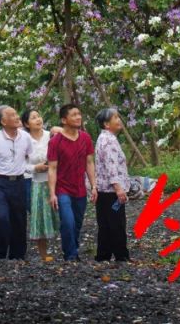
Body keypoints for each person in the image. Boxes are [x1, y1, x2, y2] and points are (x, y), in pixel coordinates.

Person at [47, 103, 96, 261]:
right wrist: (52, 193)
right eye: (74, 115)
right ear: (64, 120)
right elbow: (52, 168)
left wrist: (94, 186)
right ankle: (71, 255)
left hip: (80, 188)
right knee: (67, 221)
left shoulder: (85, 138)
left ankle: (73, 249)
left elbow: (89, 163)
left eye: (79, 114)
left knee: (77, 223)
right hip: (63, 189)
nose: (78, 117)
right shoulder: (55, 142)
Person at [0, 105, 33, 260]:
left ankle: (17, 254)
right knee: (2, 217)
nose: (17, 117)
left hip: (19, 181)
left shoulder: (25, 137)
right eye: (12, 115)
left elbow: (28, 155)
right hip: (0, 182)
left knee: (19, 218)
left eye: (16, 113)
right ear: (3, 121)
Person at [94, 107, 131, 262]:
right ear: (106, 124)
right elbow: (111, 166)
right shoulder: (109, 140)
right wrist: (119, 189)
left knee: (105, 224)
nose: (119, 120)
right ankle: (121, 256)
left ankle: (103, 255)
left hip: (103, 189)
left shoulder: (104, 138)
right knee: (116, 223)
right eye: (115, 118)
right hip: (110, 190)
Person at [21, 109, 58, 260]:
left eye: (39, 116)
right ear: (26, 124)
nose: (38, 119)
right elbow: (20, 166)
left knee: (61, 216)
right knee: (40, 218)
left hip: (56, 181)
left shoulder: (52, 135)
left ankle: (69, 251)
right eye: (33, 118)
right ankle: (44, 254)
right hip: (37, 183)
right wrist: (35, 168)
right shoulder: (24, 141)